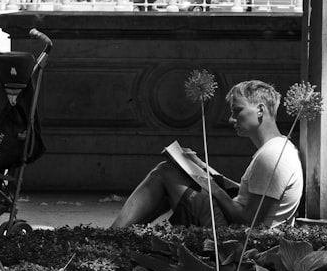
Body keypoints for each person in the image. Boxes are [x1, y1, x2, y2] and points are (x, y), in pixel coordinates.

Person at [111, 80, 303, 229]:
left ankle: (112, 235)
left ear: (260, 110)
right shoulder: (279, 148)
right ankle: (124, 234)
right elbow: (249, 193)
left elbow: (248, 220)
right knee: (173, 174)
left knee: (165, 172)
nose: (231, 119)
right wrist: (201, 166)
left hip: (234, 237)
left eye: (237, 111)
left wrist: (214, 188)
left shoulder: (271, 156)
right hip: (233, 225)